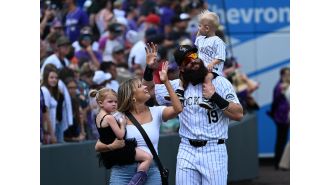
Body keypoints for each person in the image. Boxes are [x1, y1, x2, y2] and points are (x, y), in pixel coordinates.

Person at [144, 43, 243, 185]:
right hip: (187, 149)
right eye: (187, 60)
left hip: (214, 149)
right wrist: (149, 69)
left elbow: (239, 114)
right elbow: (148, 92)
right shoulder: (176, 86)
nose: (193, 60)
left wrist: (215, 96)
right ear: (181, 68)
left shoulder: (220, 82)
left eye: (194, 55)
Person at [95, 60, 183, 185]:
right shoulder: (117, 116)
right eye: (140, 86)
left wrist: (166, 82)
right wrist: (112, 146)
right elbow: (98, 146)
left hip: (151, 171)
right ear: (132, 96)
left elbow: (178, 109)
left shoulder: (156, 112)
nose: (145, 87)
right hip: (122, 172)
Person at [89, 87, 153, 185]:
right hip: (119, 150)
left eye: (115, 101)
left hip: (109, 153)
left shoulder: (98, 116)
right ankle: (135, 182)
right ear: (100, 103)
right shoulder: (109, 117)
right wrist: (122, 124)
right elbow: (120, 134)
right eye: (110, 101)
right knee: (147, 157)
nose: (114, 104)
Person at [165, 10, 226, 110]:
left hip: (213, 69)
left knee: (207, 78)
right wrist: (200, 31)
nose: (198, 28)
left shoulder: (218, 41)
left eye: (200, 26)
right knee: (184, 73)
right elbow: (197, 41)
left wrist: (212, 63)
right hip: (201, 66)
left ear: (207, 28)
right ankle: (180, 92)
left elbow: (220, 57)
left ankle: (208, 99)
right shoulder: (201, 39)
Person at [269, 67, 290, 170]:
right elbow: (275, 101)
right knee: (281, 140)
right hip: (281, 117)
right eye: (286, 74)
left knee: (284, 139)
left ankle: (282, 163)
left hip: (285, 116)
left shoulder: (287, 86)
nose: (288, 76)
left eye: (289, 74)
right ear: (282, 75)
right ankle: (278, 163)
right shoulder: (279, 87)